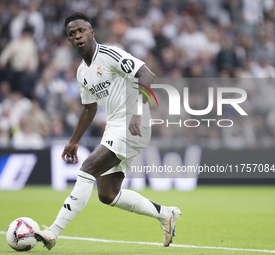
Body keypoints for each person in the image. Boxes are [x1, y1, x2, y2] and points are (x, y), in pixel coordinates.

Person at [34, 12, 182, 250]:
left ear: (91, 33)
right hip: (115, 126)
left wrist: (137, 111)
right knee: (107, 193)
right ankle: (166, 214)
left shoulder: (110, 54)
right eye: (72, 34)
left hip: (133, 123)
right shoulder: (83, 72)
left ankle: (53, 231)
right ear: (69, 41)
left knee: (87, 168)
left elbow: (146, 74)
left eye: (81, 30)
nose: (77, 36)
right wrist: (73, 141)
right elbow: (89, 108)